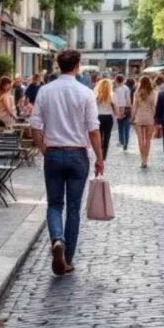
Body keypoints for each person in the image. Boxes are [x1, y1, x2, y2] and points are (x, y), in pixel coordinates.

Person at [28, 49, 105, 276]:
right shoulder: (85, 92)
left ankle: (57, 240)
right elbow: (93, 129)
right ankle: (67, 258)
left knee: (54, 205)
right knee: (73, 208)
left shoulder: (45, 91)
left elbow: (35, 127)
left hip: (53, 153)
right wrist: (100, 158)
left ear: (58, 65)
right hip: (77, 154)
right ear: (78, 65)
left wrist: (45, 149)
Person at [131, 76, 158, 168]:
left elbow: (134, 107)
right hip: (150, 118)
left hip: (139, 117)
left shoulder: (137, 93)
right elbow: (155, 106)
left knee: (140, 140)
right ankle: (146, 160)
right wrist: (156, 117)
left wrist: (132, 117)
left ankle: (142, 159)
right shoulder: (153, 93)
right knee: (147, 140)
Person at [94, 78, 117, 158]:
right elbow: (115, 107)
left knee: (99, 135)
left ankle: (99, 153)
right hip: (108, 117)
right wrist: (116, 114)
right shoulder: (112, 95)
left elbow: (93, 107)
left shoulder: (97, 96)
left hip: (99, 116)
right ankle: (104, 154)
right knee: (107, 136)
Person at [113, 74, 133, 152]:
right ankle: (126, 143)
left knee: (120, 127)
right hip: (125, 109)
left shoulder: (115, 89)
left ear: (116, 80)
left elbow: (114, 101)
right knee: (126, 128)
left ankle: (121, 141)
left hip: (118, 109)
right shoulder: (126, 88)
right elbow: (128, 100)